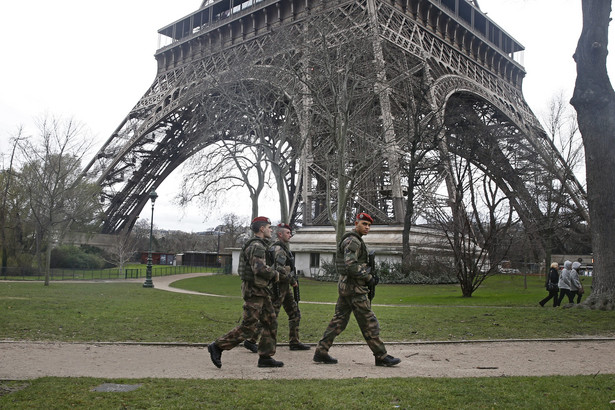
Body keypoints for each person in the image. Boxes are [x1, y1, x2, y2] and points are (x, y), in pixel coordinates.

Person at [313, 212, 401, 367]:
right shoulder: (353, 241)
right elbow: (351, 264)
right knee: (369, 322)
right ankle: (381, 356)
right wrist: (368, 278)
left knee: (338, 320)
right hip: (354, 289)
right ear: (356, 223)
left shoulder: (352, 239)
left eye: (369, 225)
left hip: (346, 287)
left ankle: (321, 351)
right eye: (364, 224)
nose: (367, 227)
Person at [207, 216, 283, 368]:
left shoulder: (259, 245)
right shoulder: (257, 246)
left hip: (261, 290)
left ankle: (265, 357)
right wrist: (275, 274)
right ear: (261, 229)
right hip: (254, 291)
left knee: (270, 322)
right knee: (248, 327)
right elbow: (259, 269)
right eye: (269, 227)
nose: (271, 230)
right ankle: (218, 346)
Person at [243, 223, 311, 352]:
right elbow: (279, 269)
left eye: (290, 233)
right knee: (270, 316)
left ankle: (294, 341)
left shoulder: (283, 248)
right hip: (278, 288)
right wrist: (291, 279)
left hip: (284, 288)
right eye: (287, 233)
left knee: (295, 313)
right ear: (280, 234)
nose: (290, 235)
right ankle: (251, 340)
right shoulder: (278, 249)